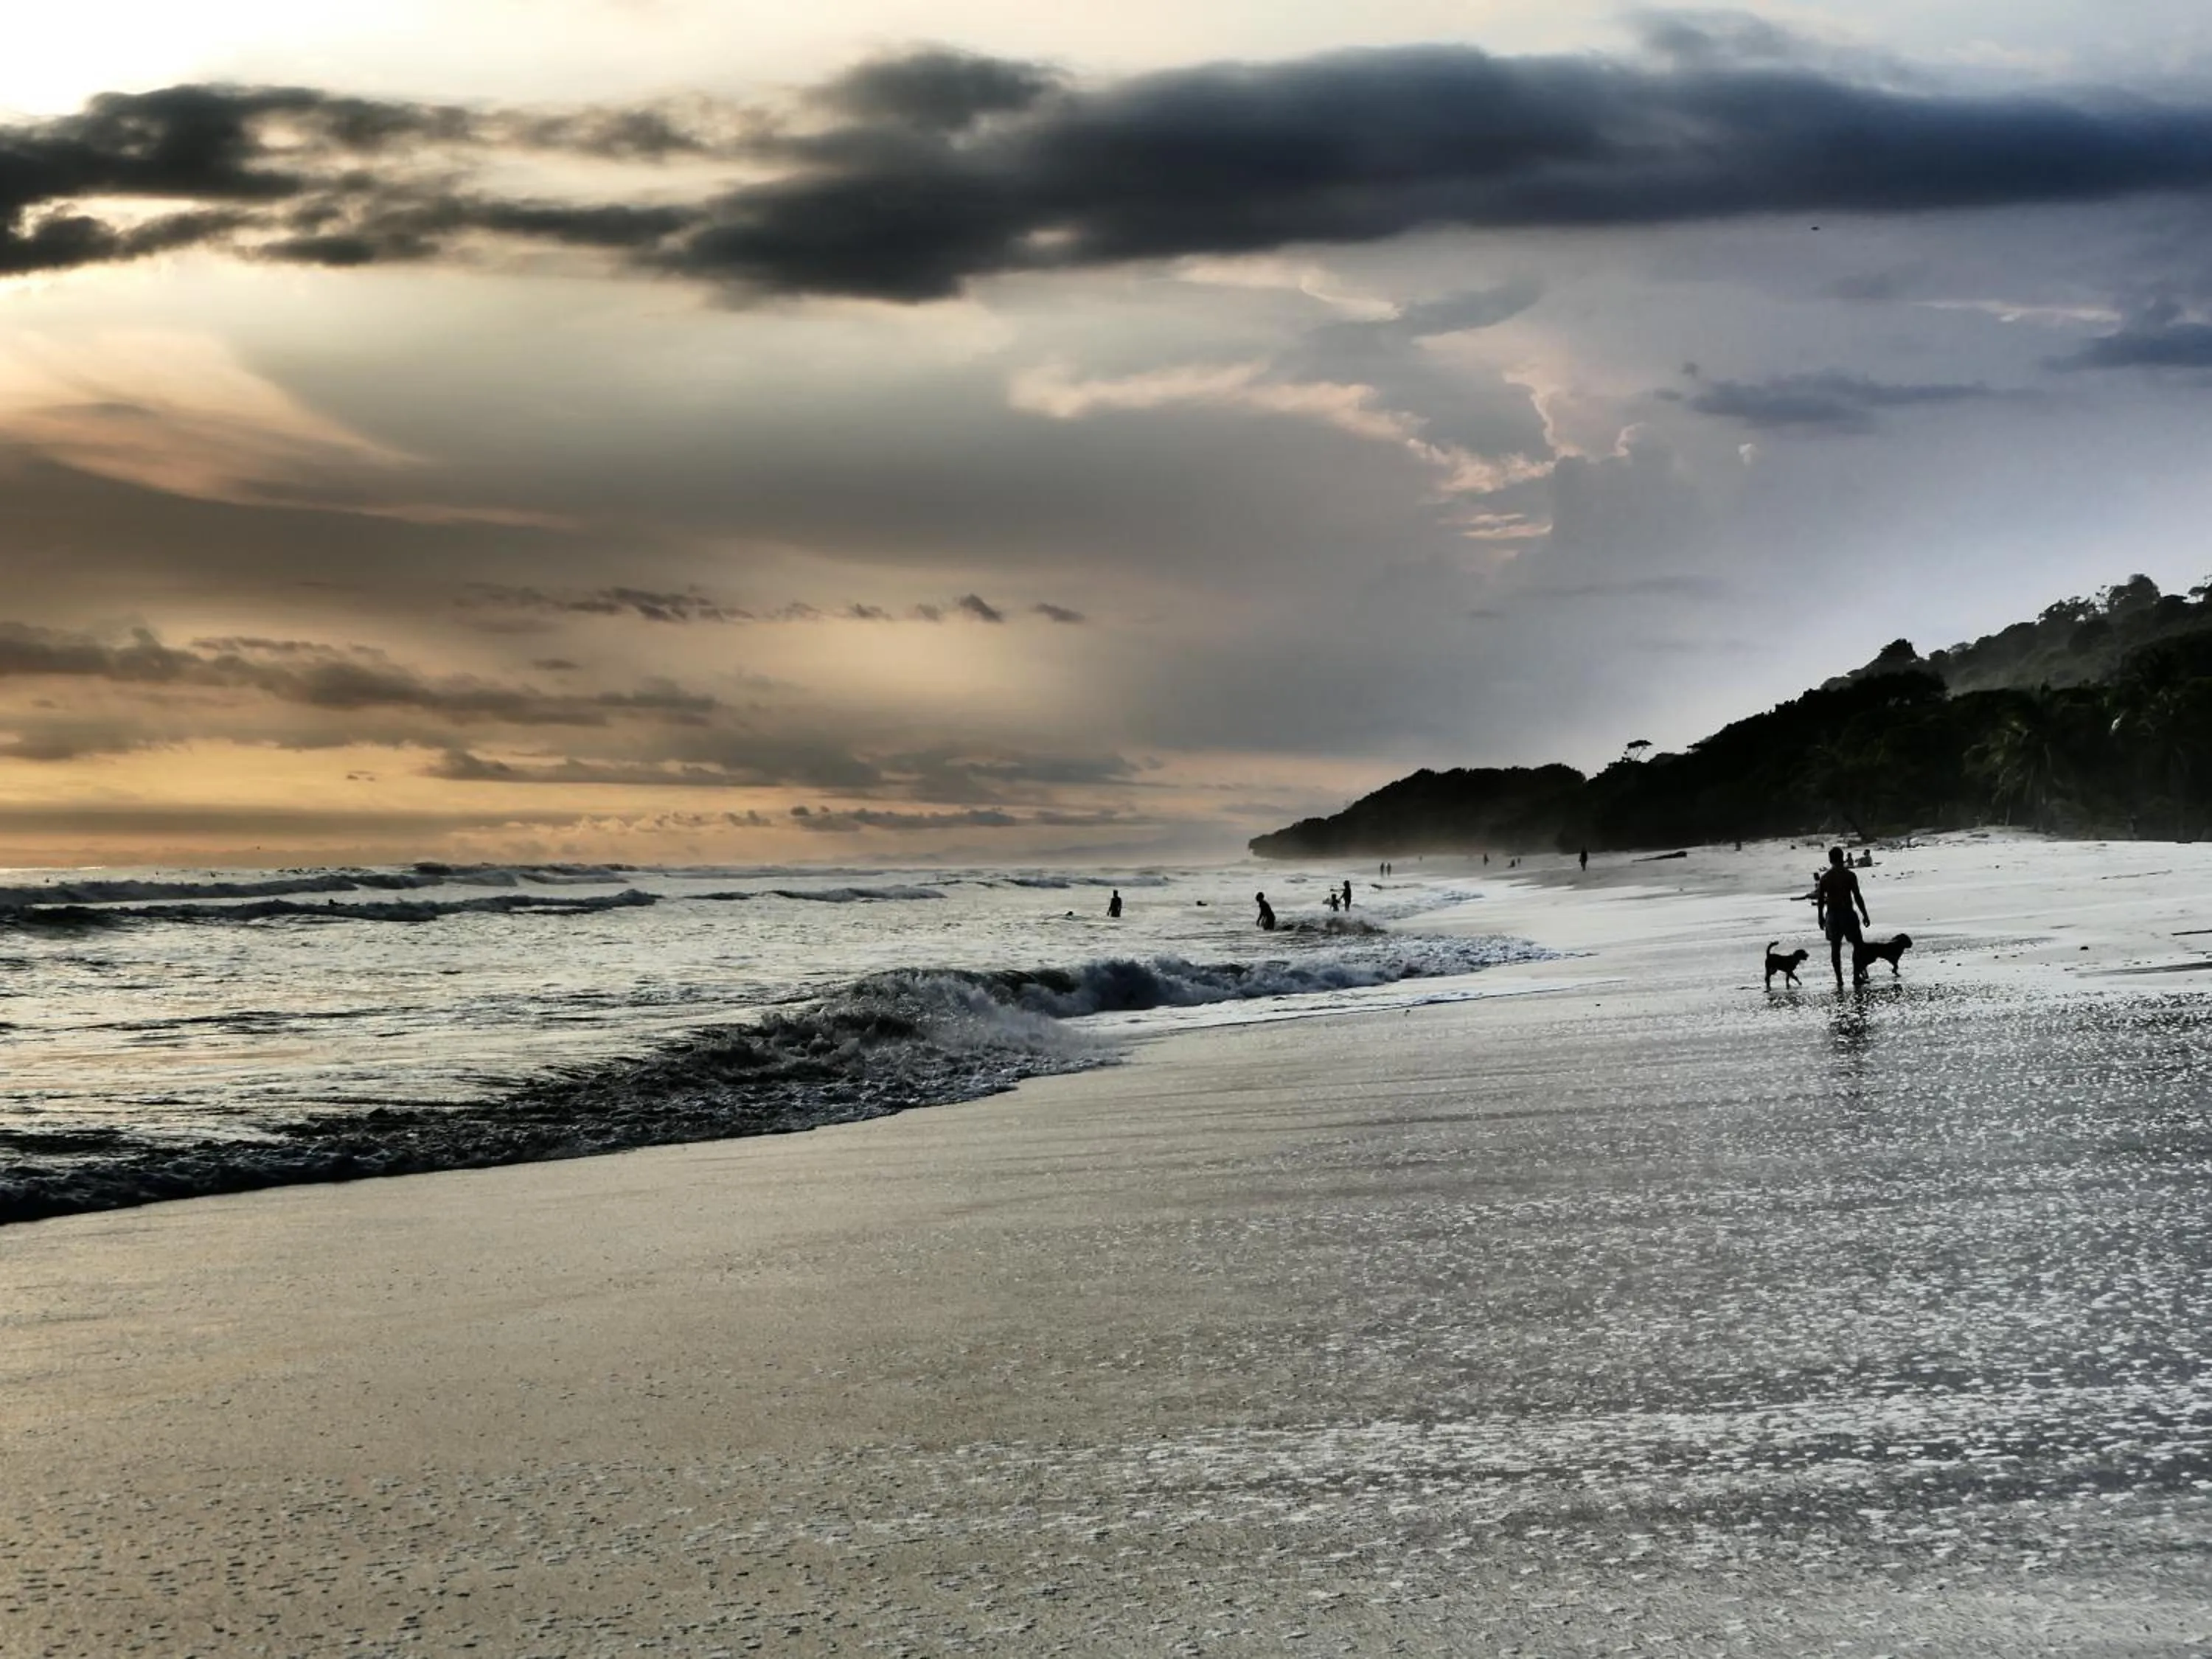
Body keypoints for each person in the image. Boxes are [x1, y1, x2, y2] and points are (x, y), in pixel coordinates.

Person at [1814, 844, 1871, 987]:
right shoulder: (1850, 875)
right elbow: (1857, 896)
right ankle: (1856, 976)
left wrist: (1820, 917)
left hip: (1833, 916)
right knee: (1858, 945)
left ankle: (1839, 979)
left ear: (1830, 860)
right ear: (1842, 858)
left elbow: (1821, 899)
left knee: (1835, 948)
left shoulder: (1825, 878)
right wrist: (1865, 914)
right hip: (1847, 914)